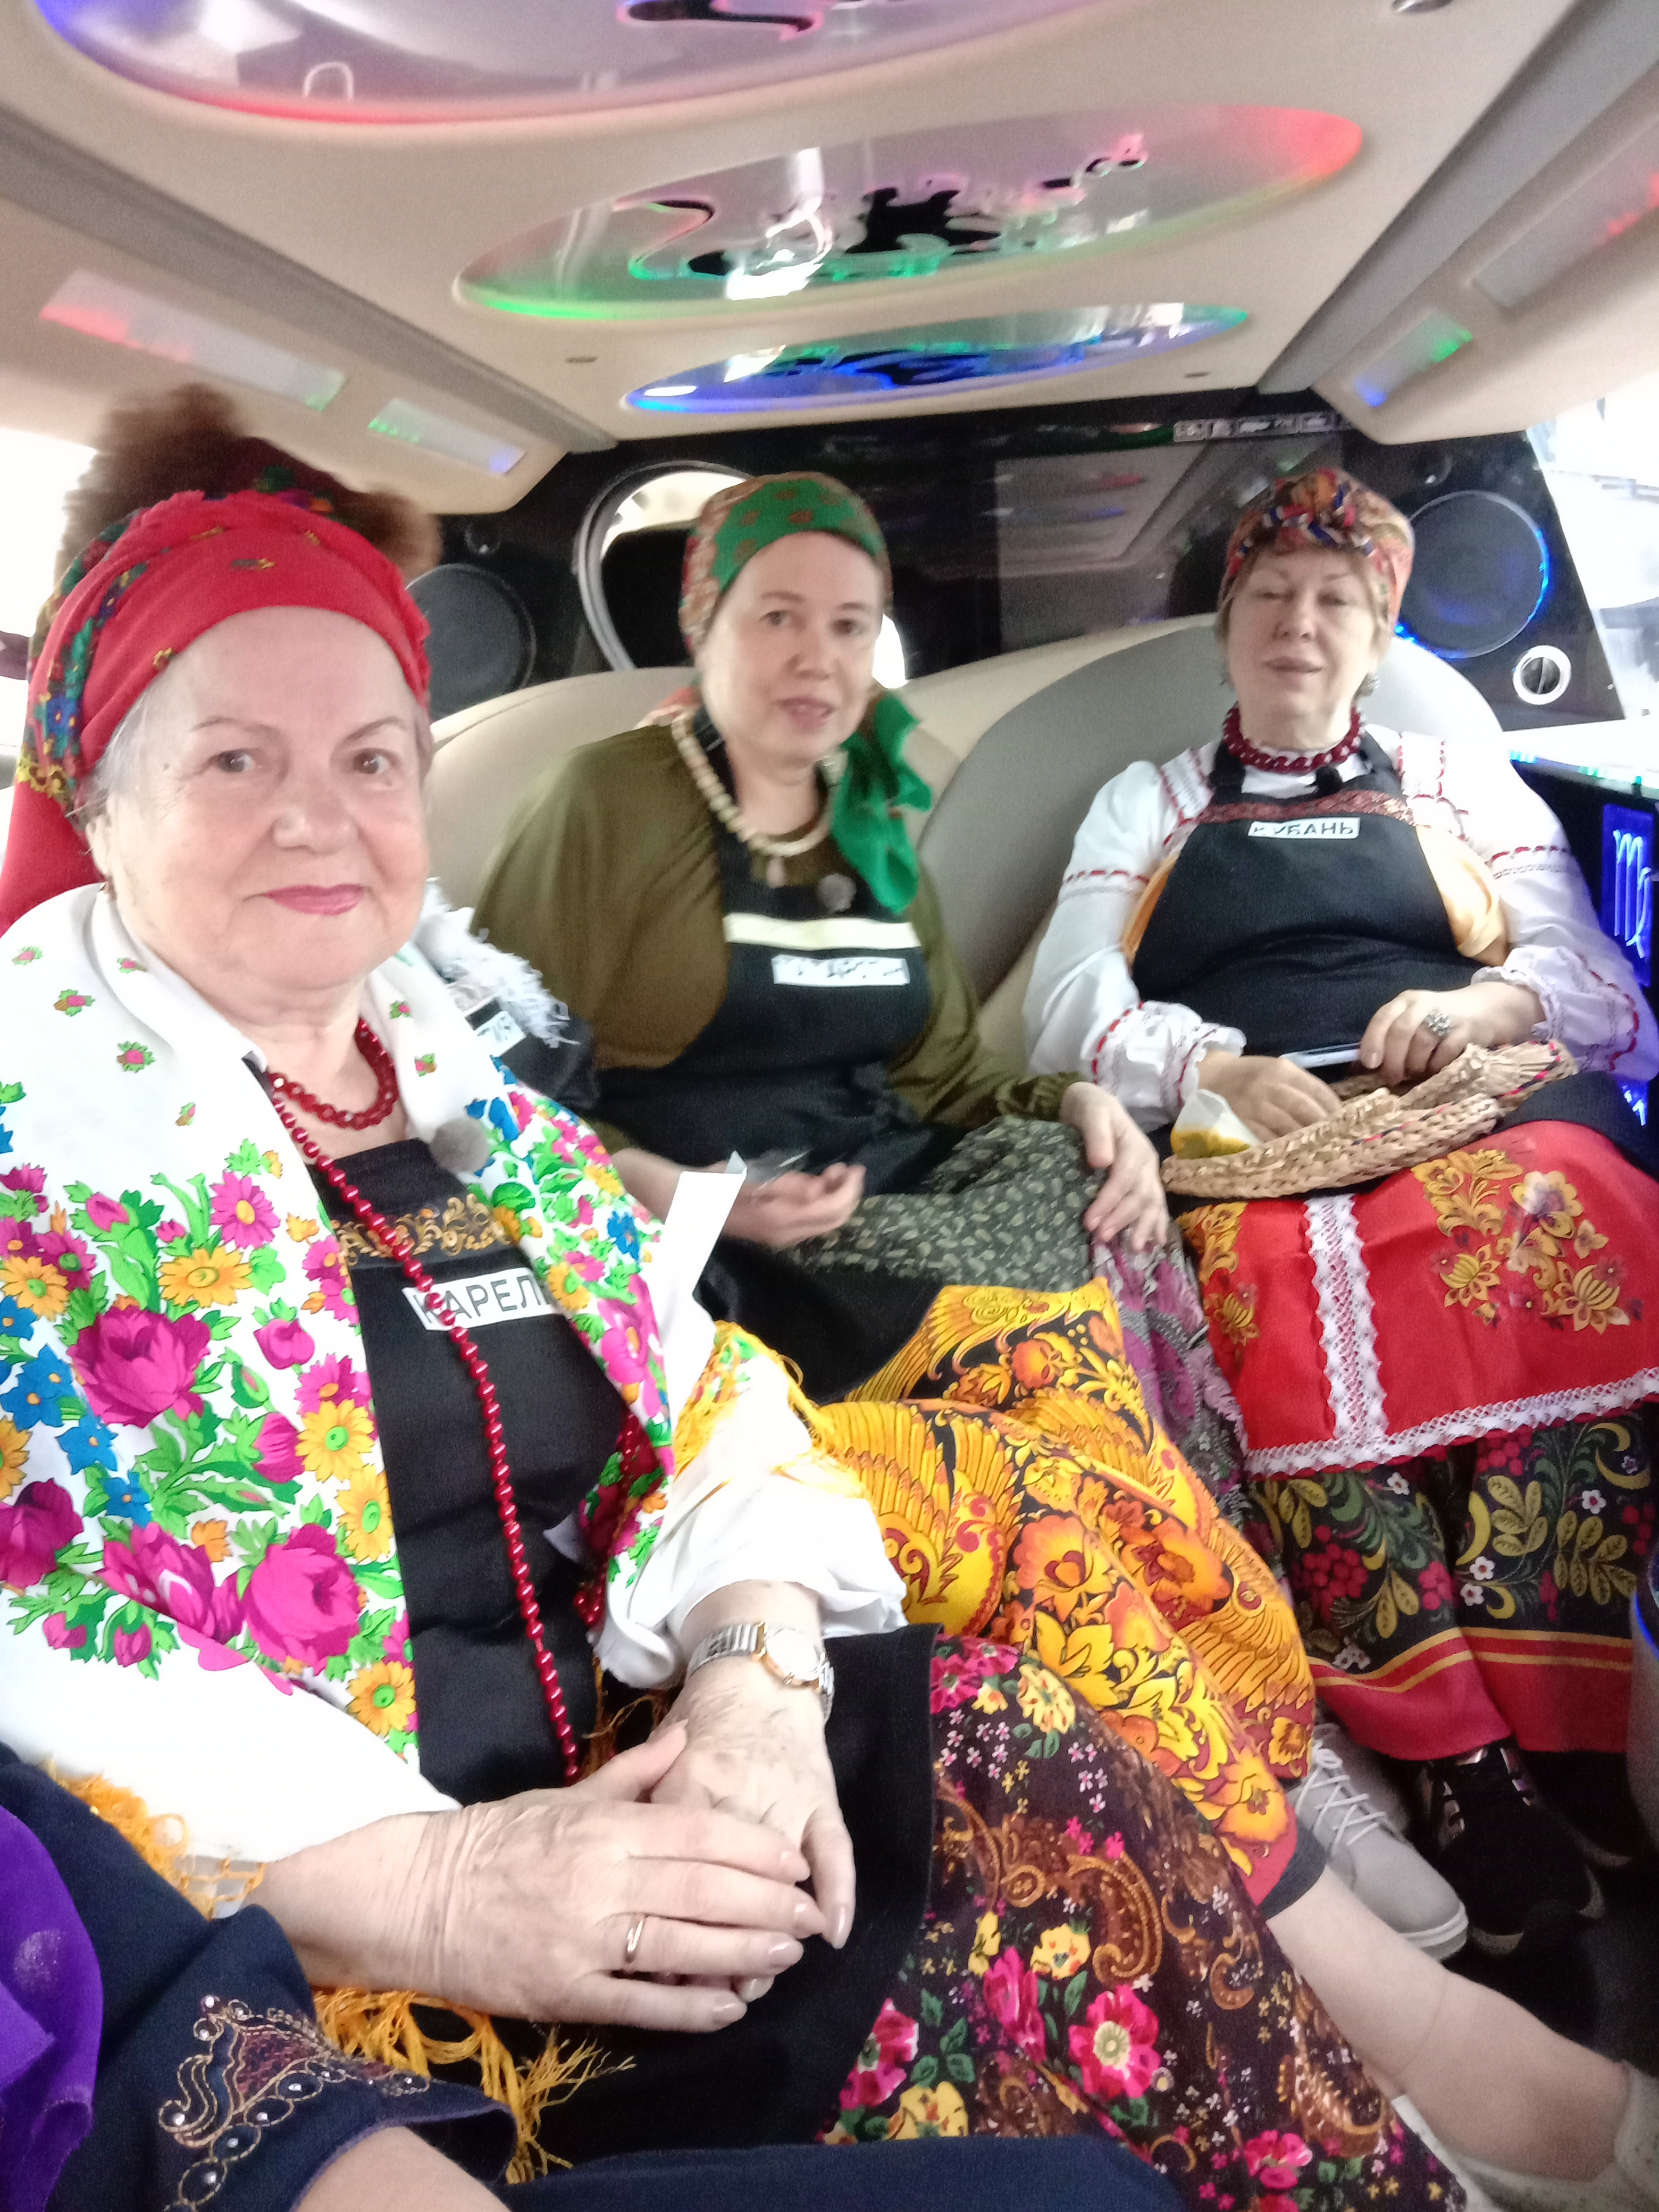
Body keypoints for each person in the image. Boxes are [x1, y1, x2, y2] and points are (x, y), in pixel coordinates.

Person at [0, 473, 1654, 2212]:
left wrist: (760, 1669)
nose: (317, 820)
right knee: (1020, 1457)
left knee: (1051, 1390)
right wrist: (430, 1885)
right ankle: (1341, 1932)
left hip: (660, 1654)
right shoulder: (68, 1147)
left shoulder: (447, 1080)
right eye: (233, 760)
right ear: (96, 799)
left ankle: (1324, 1918)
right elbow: (585, 1076)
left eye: (368, 760)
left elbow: (838, 1192)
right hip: (433, 1821)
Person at [1024, 465, 1659, 1955]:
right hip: (1251, 1130)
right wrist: (1211, 1064)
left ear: (1377, 640)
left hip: (1466, 1104)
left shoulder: (1455, 780)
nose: (1298, 624)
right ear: (1226, 626)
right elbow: (1065, 1005)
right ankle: (1457, 1757)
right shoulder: (1149, 800)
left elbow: (1594, 981)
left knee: (1577, 1209)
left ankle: (1576, 1718)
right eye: (1269, 596)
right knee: (1275, 1280)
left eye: (1333, 601)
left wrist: (1482, 1006)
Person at [469, 473, 1237, 1485]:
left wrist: (1084, 1105)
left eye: (849, 627)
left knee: (1091, 1192)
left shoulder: (869, 817)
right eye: (777, 617)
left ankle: (1146, 1516)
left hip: (879, 1193)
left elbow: (944, 1079)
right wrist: (689, 1199)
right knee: (1031, 1352)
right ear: (703, 625)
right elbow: (497, 1082)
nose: (817, 659)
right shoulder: (606, 799)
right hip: (703, 1234)